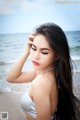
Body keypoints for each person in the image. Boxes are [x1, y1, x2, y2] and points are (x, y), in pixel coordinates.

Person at [7, 22, 80, 120]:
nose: (35, 56)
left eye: (44, 52)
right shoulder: (50, 72)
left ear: (57, 55)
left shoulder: (40, 83)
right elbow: (11, 78)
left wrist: (30, 49)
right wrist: (27, 50)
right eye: (34, 48)